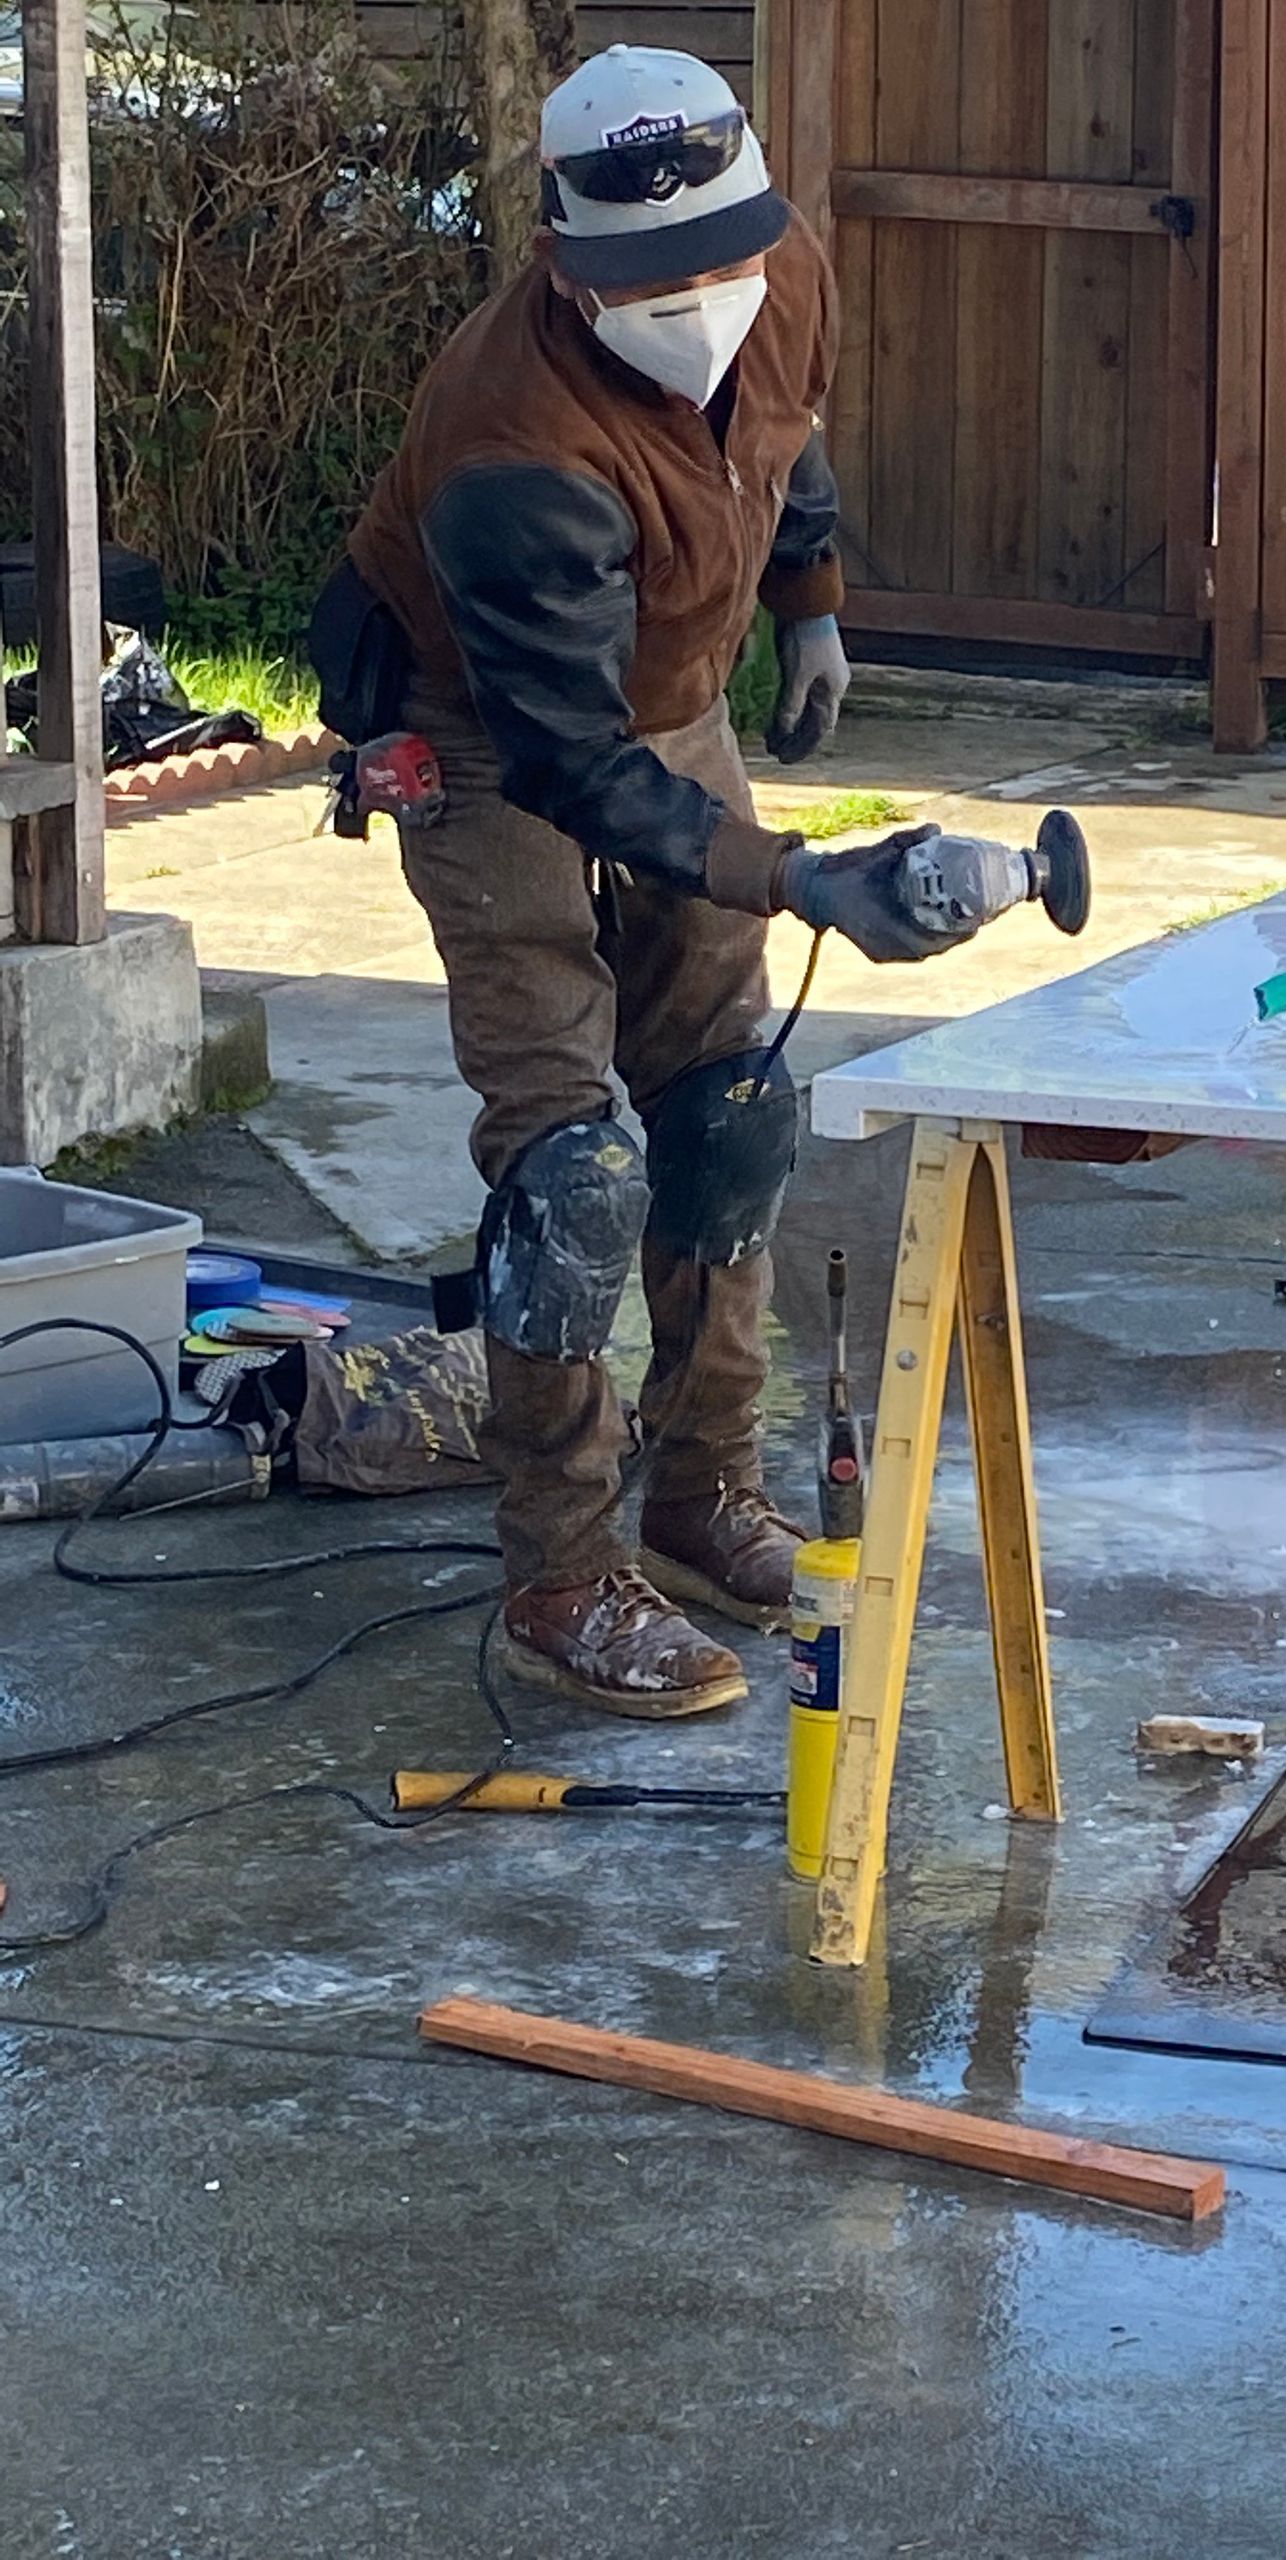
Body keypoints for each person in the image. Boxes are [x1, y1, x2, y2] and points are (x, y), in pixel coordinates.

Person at [312, 48, 956, 1720]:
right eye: (654, 283)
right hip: (483, 728)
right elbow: (571, 766)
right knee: (572, 1168)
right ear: (562, 258)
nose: (702, 303)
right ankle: (562, 1570)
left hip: (668, 696)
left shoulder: (780, 265)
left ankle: (702, 1488)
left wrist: (809, 598)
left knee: (729, 1104)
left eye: (721, 261)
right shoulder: (507, 443)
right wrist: (798, 877)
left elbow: (785, 431)